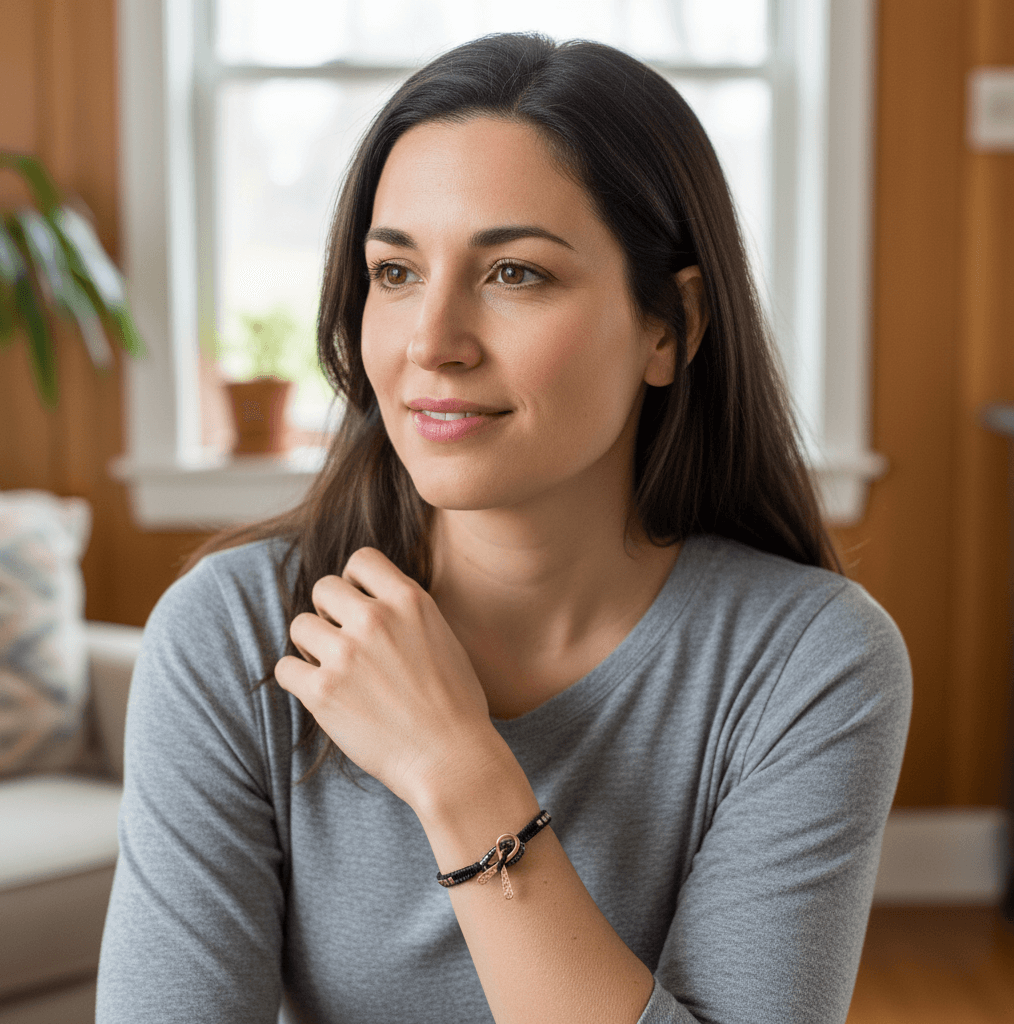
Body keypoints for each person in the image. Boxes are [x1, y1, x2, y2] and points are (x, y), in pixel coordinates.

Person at [96, 32, 911, 1024]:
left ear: (671, 327)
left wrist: (459, 772)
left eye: (514, 273)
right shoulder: (233, 635)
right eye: (394, 273)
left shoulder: (810, 658)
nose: (431, 344)